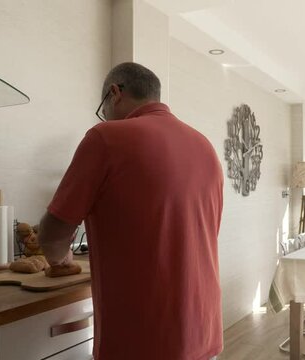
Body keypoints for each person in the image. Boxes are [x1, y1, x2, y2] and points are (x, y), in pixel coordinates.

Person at [37, 62, 224, 360]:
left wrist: (60, 257)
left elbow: (51, 236)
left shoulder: (106, 138)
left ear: (115, 93)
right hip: (204, 331)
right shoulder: (205, 147)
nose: (105, 117)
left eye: (103, 108)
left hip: (145, 340)